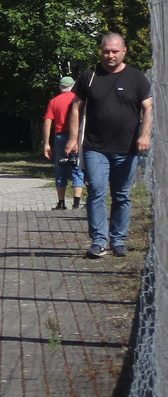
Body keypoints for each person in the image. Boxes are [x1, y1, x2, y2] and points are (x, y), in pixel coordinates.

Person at [64, 33, 152, 258]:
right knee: (96, 192)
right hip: (95, 147)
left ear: (124, 51)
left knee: (121, 195)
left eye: (115, 51)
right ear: (100, 51)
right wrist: (73, 139)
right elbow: (76, 107)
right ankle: (99, 240)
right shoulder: (89, 76)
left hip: (127, 148)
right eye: (106, 51)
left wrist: (145, 135)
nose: (110, 55)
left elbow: (148, 107)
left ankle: (119, 240)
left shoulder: (136, 77)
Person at [42, 76, 84, 210]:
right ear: (73, 86)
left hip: (60, 136)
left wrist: (46, 143)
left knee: (60, 167)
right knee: (77, 166)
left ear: (60, 87)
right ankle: (76, 202)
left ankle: (61, 202)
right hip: (77, 136)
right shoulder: (78, 99)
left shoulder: (54, 101)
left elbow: (47, 123)